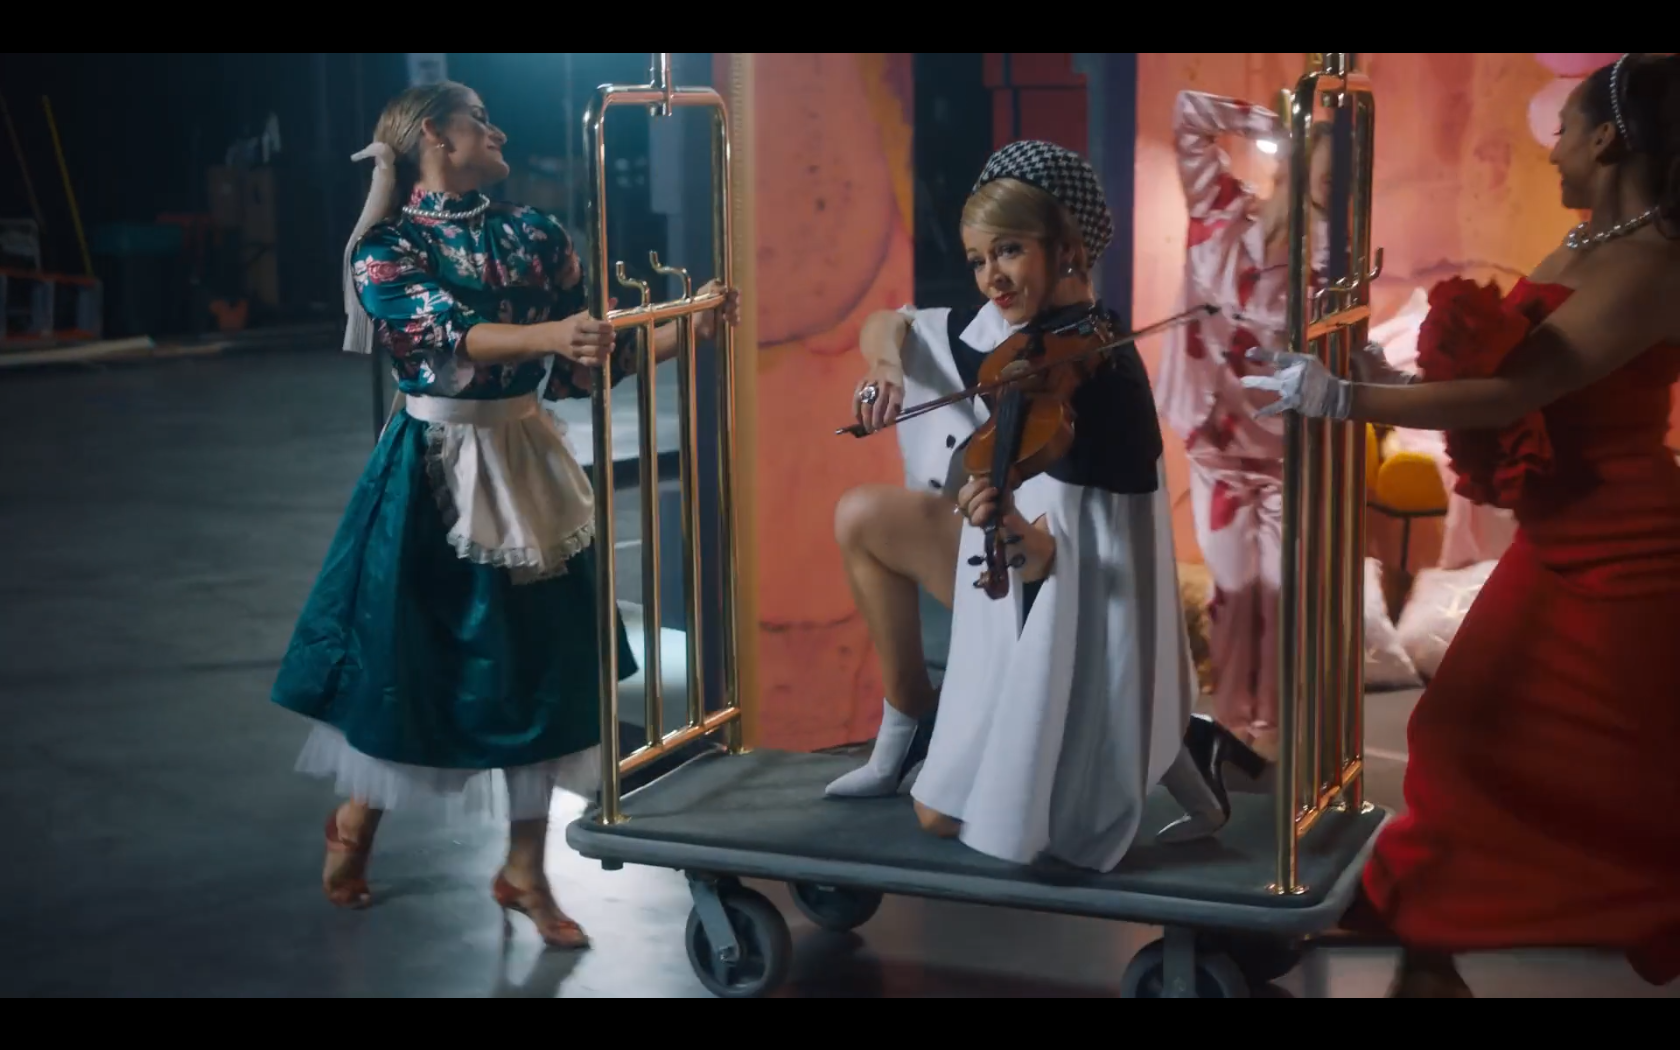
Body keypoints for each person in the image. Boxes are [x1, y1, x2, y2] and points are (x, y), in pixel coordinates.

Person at [1241, 53, 1680, 996]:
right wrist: (1386, 378)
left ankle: (1439, 931)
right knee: (1467, 734)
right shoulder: (1586, 244)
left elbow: (1521, 389)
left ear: (1608, 139)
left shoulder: (1653, 265)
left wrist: (1348, 399)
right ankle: (1430, 938)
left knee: (1612, 766)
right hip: (1561, 539)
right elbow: (1506, 380)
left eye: (1564, 130)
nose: (1552, 150)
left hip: (1626, 551)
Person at [269, 82, 738, 949]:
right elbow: (445, 335)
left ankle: (524, 869)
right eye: (478, 120)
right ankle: (358, 817)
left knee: (547, 662)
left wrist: (687, 330)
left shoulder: (537, 234)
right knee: (409, 658)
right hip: (430, 473)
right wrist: (552, 336)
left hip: (528, 463)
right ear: (434, 138)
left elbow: (586, 364)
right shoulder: (385, 247)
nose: (498, 132)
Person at [826, 140, 1263, 872]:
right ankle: (915, 718)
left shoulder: (1101, 373)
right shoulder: (1017, 336)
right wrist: (884, 367)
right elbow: (893, 321)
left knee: (950, 819)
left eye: (1008, 251)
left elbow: (1091, 558)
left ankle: (1164, 737)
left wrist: (1011, 529)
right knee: (862, 514)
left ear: (1067, 248)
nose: (990, 278)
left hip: (1072, 607)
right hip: (1015, 577)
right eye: (977, 259)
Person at [1153, 90, 1410, 759]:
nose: (1336, 178)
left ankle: (1267, 733)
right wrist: (1275, 124)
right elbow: (1189, 116)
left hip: (1285, 449)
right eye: (1327, 161)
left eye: (1349, 172)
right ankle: (1234, 729)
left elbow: (1349, 349)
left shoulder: (1338, 263)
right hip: (1215, 442)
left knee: (1278, 592)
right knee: (1234, 591)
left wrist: (1390, 380)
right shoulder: (1221, 212)